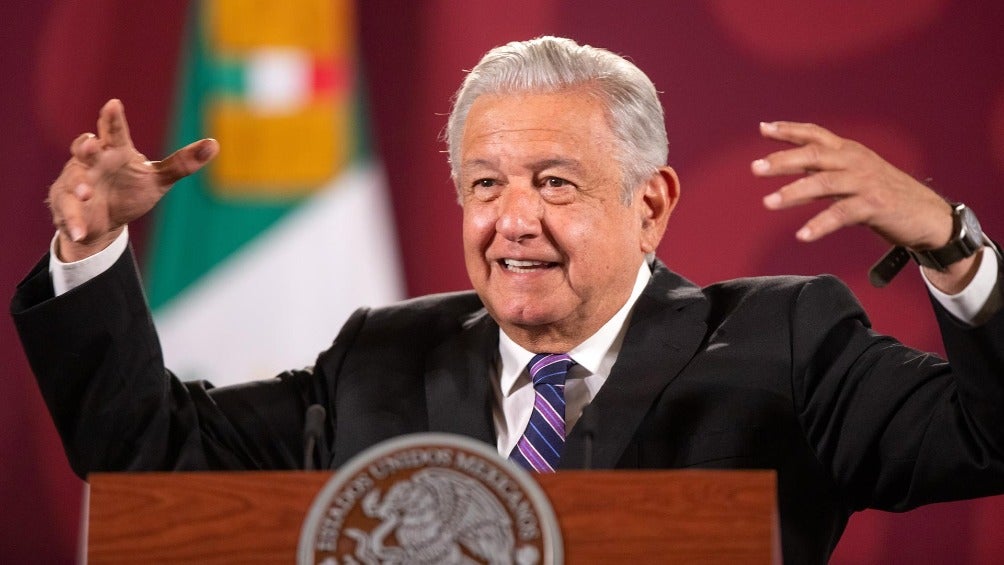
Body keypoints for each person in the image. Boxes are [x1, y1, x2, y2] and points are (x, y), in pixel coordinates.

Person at [11, 37, 1004, 564]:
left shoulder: (785, 340)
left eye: (554, 181)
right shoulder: (382, 353)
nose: (511, 220)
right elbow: (148, 460)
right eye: (484, 184)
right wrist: (92, 253)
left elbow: (985, 436)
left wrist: (951, 250)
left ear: (648, 203)